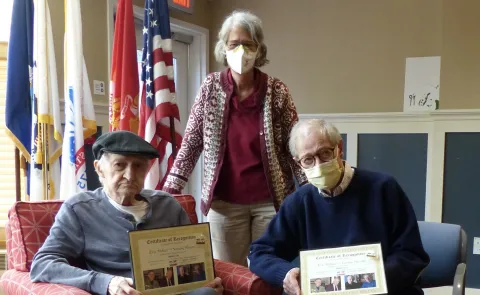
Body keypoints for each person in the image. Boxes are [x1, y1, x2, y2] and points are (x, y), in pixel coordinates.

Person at [163, 10, 306, 266]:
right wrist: (170, 188)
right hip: (224, 204)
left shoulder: (278, 91)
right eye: (234, 44)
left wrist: (310, 189)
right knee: (230, 274)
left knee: (270, 271)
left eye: (248, 44)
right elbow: (192, 142)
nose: (241, 50)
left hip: (271, 202)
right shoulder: (210, 88)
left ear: (259, 49)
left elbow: (295, 146)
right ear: (224, 48)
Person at [248, 119, 430, 295]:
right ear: (298, 163)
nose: (318, 165)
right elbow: (260, 253)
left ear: (339, 149)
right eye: (308, 159)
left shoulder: (383, 188)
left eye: (325, 153)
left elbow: (411, 255)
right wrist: (286, 273)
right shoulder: (299, 203)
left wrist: (374, 280)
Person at [30, 131, 224, 295]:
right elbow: (43, 264)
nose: (130, 176)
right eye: (120, 165)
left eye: (138, 166)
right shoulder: (79, 210)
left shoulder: (167, 205)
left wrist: (203, 278)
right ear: (99, 169)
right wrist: (106, 282)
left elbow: (192, 257)